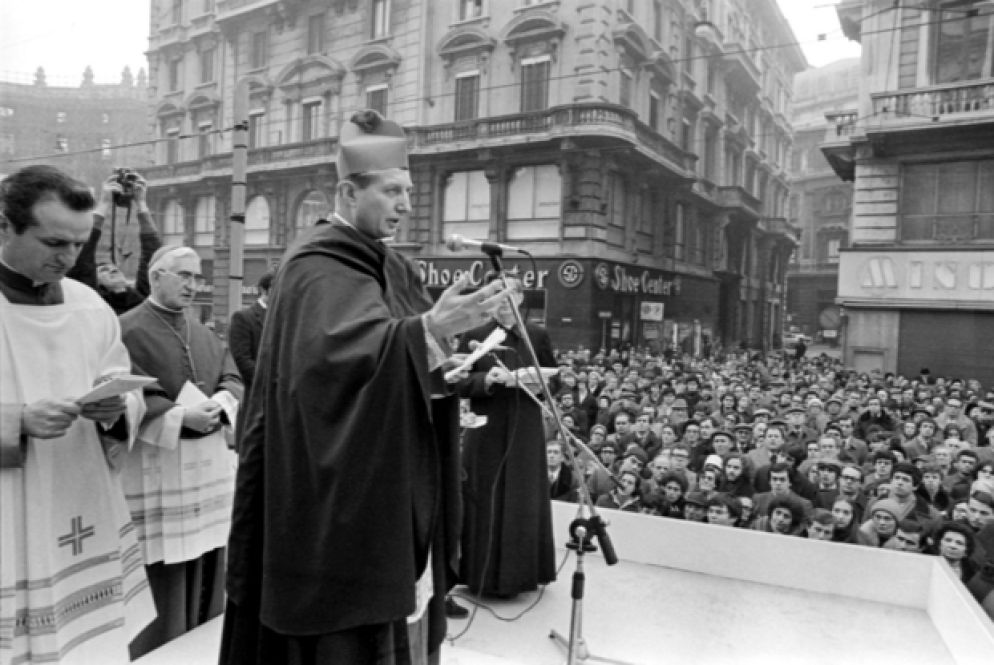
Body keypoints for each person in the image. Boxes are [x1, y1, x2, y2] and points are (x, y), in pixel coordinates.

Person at [220, 110, 520, 665]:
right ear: (347, 192)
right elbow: (328, 371)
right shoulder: (315, 266)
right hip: (333, 491)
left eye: (409, 192)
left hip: (392, 475)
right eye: (391, 191)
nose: (406, 204)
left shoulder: (395, 267)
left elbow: (403, 349)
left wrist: (443, 352)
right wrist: (428, 332)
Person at [0, 165, 154, 663]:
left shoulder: (90, 305)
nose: (68, 257)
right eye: (53, 243)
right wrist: (16, 421)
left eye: (78, 243)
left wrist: (115, 409)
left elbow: (120, 380)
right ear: (5, 226)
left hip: (81, 497)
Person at [119, 245, 244, 658]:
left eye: (197, 277)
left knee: (209, 560)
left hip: (206, 464)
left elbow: (232, 375)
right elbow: (123, 391)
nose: (193, 285)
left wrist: (221, 404)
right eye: (184, 276)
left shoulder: (202, 331)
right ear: (156, 276)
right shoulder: (125, 329)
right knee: (165, 568)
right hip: (160, 464)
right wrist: (178, 415)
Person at [456, 273, 558, 598]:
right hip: (486, 428)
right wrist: (486, 380)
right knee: (483, 498)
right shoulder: (474, 335)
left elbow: (554, 380)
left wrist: (540, 384)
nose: (504, 301)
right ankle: (478, 576)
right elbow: (456, 380)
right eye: (497, 294)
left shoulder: (537, 335)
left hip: (525, 429)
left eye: (510, 292)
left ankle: (521, 576)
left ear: (521, 297)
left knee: (522, 500)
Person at [67, 170, 162, 315]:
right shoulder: (93, 300)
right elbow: (84, 255)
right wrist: (104, 202)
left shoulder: (141, 301)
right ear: (95, 281)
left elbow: (153, 257)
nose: (112, 269)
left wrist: (141, 203)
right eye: (103, 270)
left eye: (113, 267)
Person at [228, 270, 274, 399]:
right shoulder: (243, 317)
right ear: (264, 290)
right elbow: (242, 360)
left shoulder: (284, 318)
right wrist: (270, 382)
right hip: (257, 396)